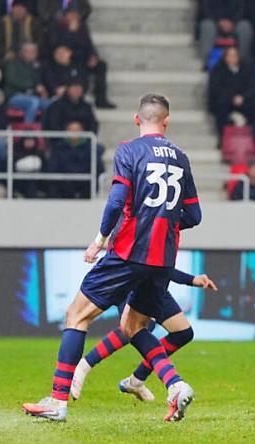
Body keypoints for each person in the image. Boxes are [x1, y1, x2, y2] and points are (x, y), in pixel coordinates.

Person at [21, 94, 201, 422]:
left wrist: (99, 240)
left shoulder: (129, 150)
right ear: (167, 121)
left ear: (137, 120)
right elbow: (194, 215)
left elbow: (116, 201)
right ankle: (175, 385)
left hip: (129, 252)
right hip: (162, 259)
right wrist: (163, 219)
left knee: (76, 315)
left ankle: (58, 400)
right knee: (133, 326)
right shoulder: (181, 157)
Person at [70, 271, 218, 402]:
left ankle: (135, 381)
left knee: (183, 333)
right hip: (131, 282)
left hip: (156, 285)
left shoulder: (168, 243)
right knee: (132, 329)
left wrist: (192, 280)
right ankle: (84, 366)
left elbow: (164, 265)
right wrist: (99, 241)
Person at [208, 46, 255, 134]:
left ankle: (250, 138)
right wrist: (232, 97)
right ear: (225, 57)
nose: (232, 58)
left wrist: (243, 97)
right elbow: (216, 88)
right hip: (226, 100)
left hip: (244, 99)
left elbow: (252, 86)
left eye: (235, 55)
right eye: (230, 55)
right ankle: (223, 137)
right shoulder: (218, 70)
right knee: (221, 106)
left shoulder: (247, 69)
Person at [3, 42, 51, 123]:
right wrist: (34, 86)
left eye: (33, 51)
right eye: (27, 51)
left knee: (52, 105)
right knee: (33, 102)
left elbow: (45, 80)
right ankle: (28, 132)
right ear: (22, 52)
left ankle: (46, 130)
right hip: (15, 96)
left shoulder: (39, 65)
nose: (30, 54)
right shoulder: (14, 63)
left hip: (34, 96)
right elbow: (12, 80)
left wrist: (44, 90)